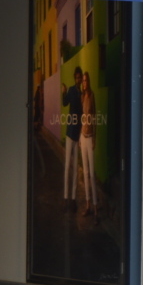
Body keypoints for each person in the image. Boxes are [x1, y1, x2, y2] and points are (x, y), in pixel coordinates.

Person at [61, 66, 83, 212]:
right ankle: (65, 198)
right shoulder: (71, 90)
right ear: (75, 78)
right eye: (76, 77)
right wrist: (63, 93)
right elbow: (65, 103)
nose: (77, 79)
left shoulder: (82, 93)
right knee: (67, 166)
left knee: (75, 168)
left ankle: (73, 199)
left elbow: (83, 115)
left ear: (81, 79)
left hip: (77, 134)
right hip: (70, 134)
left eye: (79, 77)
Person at [79, 71, 99, 217]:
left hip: (90, 136)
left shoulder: (92, 96)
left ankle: (96, 207)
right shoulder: (82, 97)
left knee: (92, 173)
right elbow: (81, 117)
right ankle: (87, 205)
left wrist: (94, 139)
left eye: (86, 80)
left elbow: (95, 118)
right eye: (83, 81)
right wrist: (80, 137)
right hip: (82, 137)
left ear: (89, 82)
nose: (84, 83)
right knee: (85, 172)